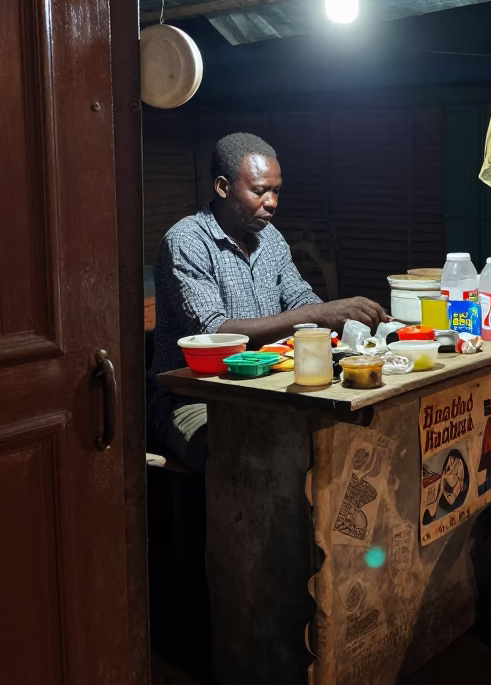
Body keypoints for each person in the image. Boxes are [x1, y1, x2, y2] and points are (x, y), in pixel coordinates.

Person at [147, 132, 388, 470]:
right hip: (192, 399)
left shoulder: (269, 238)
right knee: (246, 455)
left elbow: (300, 299)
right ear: (222, 187)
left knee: (343, 436)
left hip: (262, 389)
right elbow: (215, 333)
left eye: (276, 190)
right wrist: (322, 313)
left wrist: (348, 319)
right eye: (259, 191)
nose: (272, 202)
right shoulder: (187, 241)